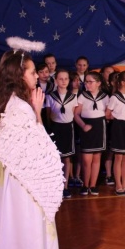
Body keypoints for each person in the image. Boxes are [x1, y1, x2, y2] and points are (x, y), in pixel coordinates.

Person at [0, 50, 64, 249]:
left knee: (19, 226)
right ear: (19, 75)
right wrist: (37, 111)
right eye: (32, 72)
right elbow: (39, 146)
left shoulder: (11, 102)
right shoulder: (20, 108)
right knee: (24, 226)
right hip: (24, 182)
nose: (36, 76)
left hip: (17, 179)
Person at [74, 71, 109, 195]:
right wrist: (83, 125)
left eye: (90, 82)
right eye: (86, 82)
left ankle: (93, 185)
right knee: (86, 159)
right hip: (87, 126)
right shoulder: (82, 96)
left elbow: (108, 113)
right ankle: (85, 184)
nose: (87, 84)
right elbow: (76, 114)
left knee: (96, 158)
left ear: (98, 83)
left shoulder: (105, 96)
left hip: (99, 127)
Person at [46, 69, 78, 199]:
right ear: (56, 80)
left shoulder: (73, 97)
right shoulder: (50, 96)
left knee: (67, 158)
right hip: (55, 128)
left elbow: (74, 113)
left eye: (66, 79)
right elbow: (48, 115)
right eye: (60, 79)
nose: (63, 81)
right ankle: (55, 185)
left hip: (68, 128)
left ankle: (65, 186)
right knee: (56, 157)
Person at [106, 72, 125, 195]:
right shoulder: (115, 97)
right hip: (118, 127)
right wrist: (116, 117)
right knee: (118, 157)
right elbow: (107, 114)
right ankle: (118, 184)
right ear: (123, 83)